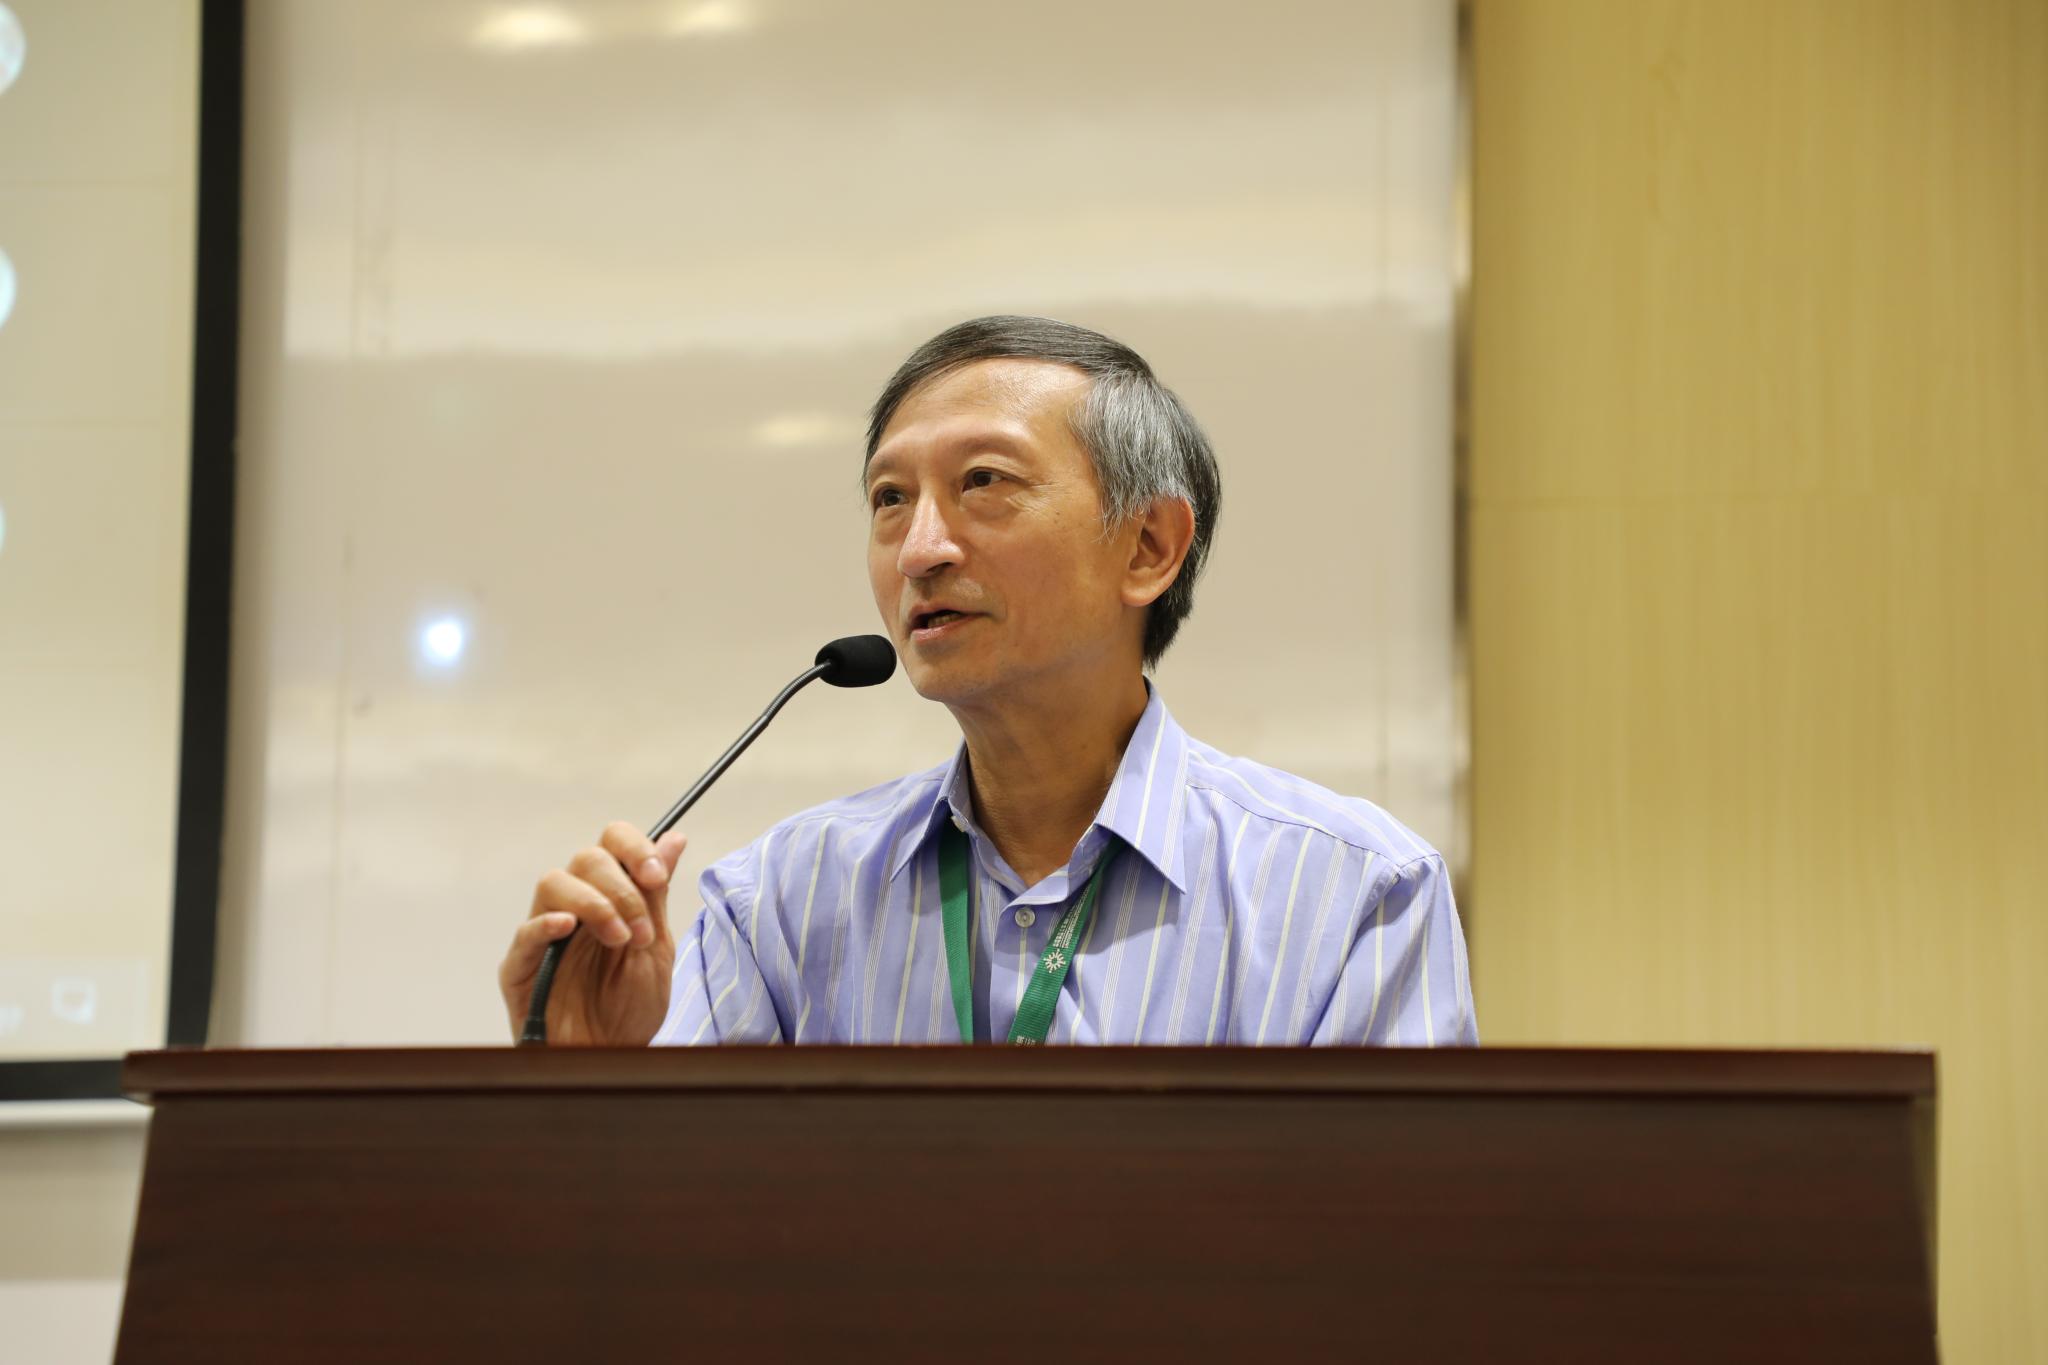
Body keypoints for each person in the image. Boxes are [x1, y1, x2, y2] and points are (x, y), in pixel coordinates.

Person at [498, 315, 1475, 1047]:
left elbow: (1394, 1244)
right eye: (890, 498)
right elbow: (691, 1241)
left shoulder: (1354, 896)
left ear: (1148, 545)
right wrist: (600, 1084)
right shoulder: (778, 905)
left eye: (983, 482)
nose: (919, 548)